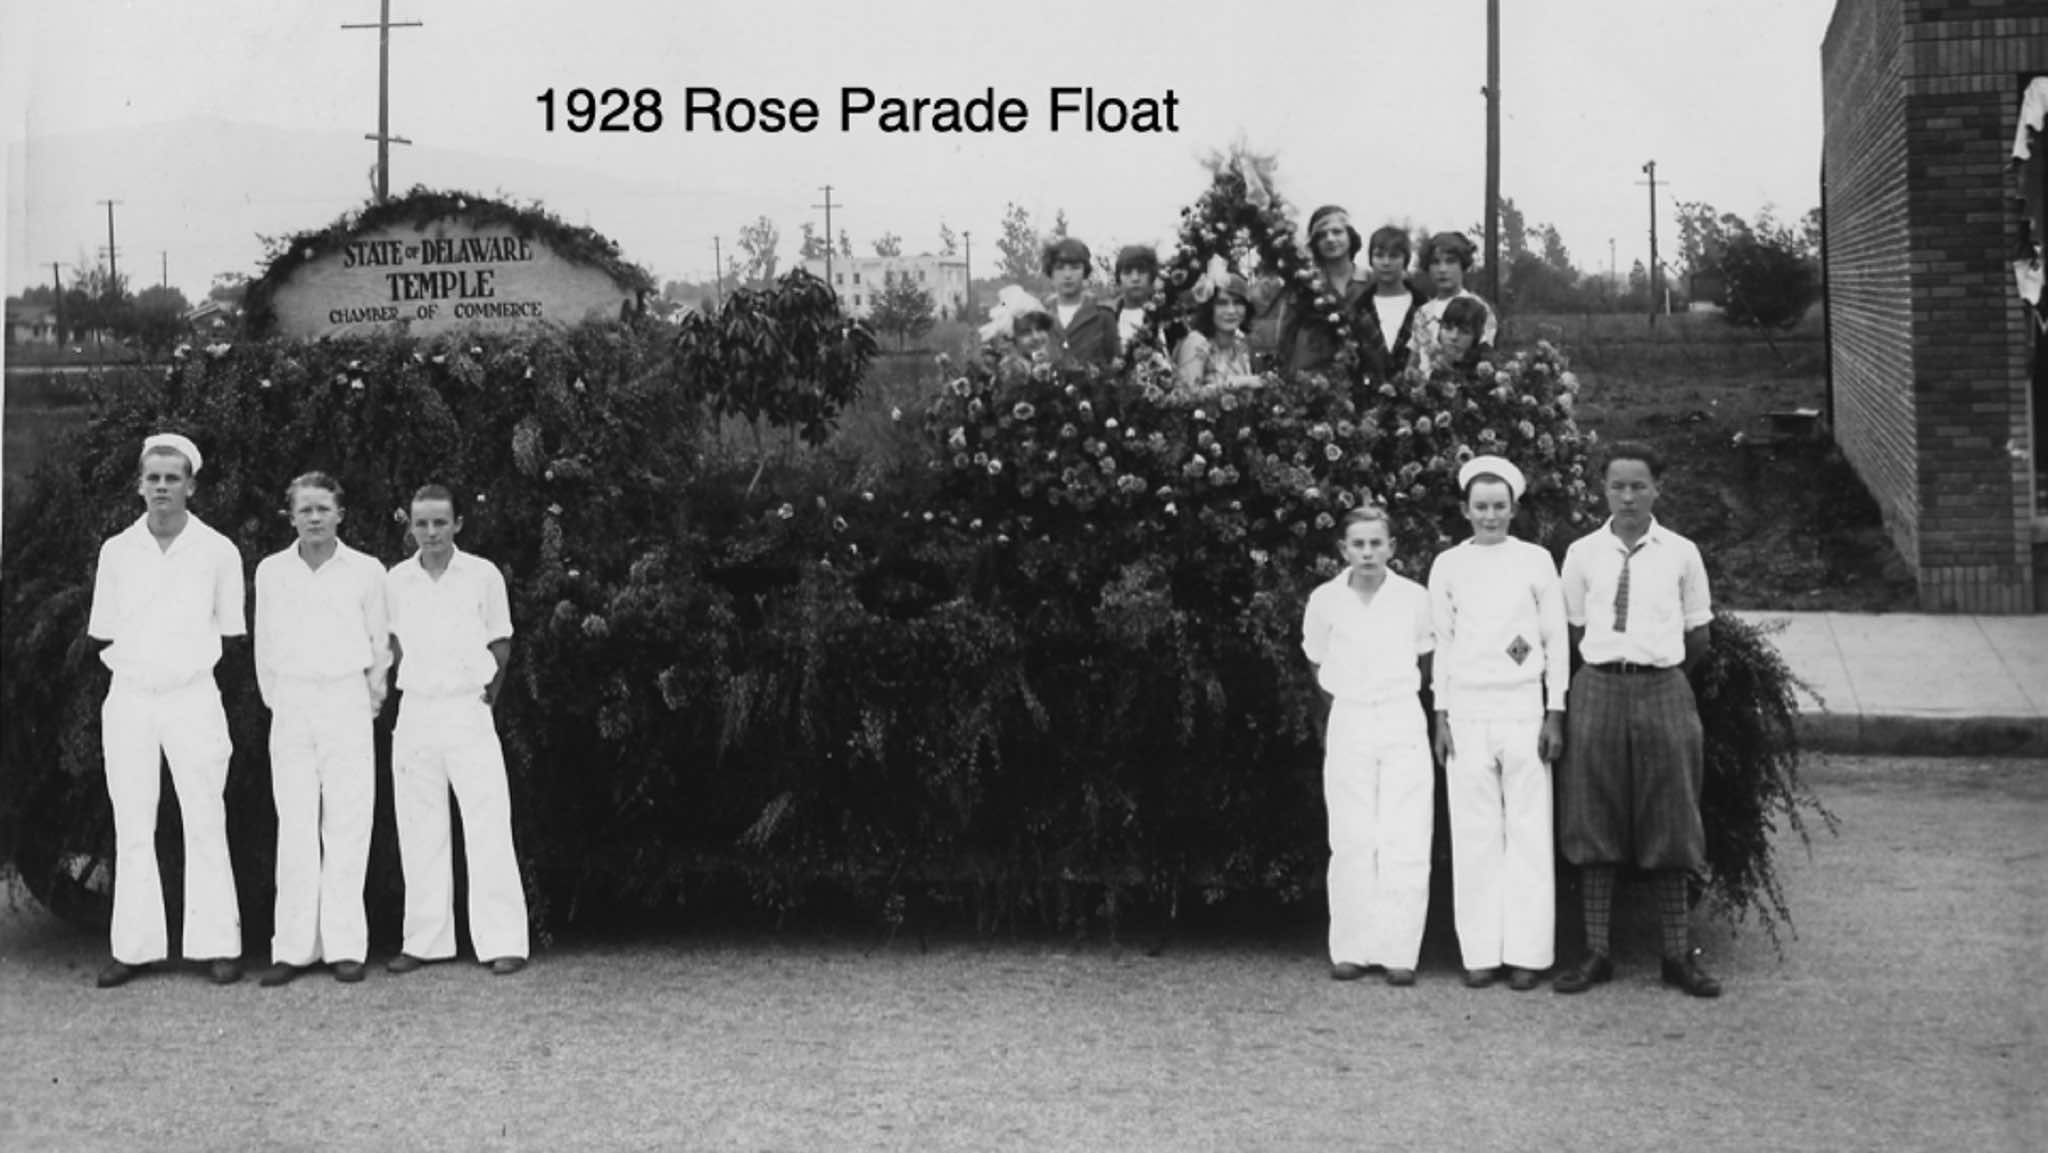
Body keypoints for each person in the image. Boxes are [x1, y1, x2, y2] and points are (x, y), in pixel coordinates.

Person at [1554, 441, 1722, 999]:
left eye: (1638, 486)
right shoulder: (1582, 553)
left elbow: (1699, 635)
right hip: (1598, 688)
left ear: (1657, 489)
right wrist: (1611, 668)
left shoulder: (1682, 553)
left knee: (1671, 816)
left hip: (1663, 687)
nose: (1627, 497)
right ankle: (1597, 952)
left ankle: (1676, 955)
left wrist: (1656, 673)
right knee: (1592, 815)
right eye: (1617, 486)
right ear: (1603, 490)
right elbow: (1574, 629)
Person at [86, 432, 246, 988]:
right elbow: (105, 629)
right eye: (152, 478)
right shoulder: (116, 551)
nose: (161, 487)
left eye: (172, 478)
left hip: (193, 696)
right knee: (132, 821)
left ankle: (218, 944)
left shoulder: (219, 551)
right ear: (139, 485)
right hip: (130, 698)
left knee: (205, 817)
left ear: (190, 486)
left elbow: (229, 631)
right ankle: (134, 947)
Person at [1427, 456, 1568, 992]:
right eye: (1481, 507)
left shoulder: (1536, 561)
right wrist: (1441, 715)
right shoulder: (1448, 565)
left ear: (1514, 509)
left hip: (1523, 708)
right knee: (1474, 833)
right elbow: (1442, 644)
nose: (1490, 516)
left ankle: (1528, 953)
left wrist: (1555, 711)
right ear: (1465, 510)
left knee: (1529, 832)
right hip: (1467, 711)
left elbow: (1555, 640)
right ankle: (1481, 951)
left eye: (1499, 506)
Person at [384, 485, 531, 976]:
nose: (430, 533)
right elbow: (394, 646)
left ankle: (503, 940)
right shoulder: (396, 580)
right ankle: (425, 940)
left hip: (468, 710)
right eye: (421, 524)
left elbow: (501, 642)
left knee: (487, 824)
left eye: (440, 523)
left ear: (458, 524)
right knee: (419, 826)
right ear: (410, 526)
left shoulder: (482, 575)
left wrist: (487, 695)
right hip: (417, 712)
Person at [253, 472, 390, 987]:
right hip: (291, 702)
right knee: (295, 823)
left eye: (323, 509)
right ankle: (293, 947)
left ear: (340, 514)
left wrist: (367, 702)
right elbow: (265, 646)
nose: (314, 518)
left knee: (348, 823)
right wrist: (280, 701)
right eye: (304, 510)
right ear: (290, 516)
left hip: (346, 699)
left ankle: (345, 946)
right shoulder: (271, 572)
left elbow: (380, 645)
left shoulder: (366, 571)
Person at [1300, 505, 1436, 986]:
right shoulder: (1325, 600)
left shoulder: (1414, 598)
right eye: (1358, 544)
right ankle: (1352, 948)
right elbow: (1317, 661)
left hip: (1400, 715)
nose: (1367, 552)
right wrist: (1347, 700)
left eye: (1376, 543)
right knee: (1352, 835)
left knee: (1405, 834)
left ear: (1391, 547)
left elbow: (1425, 661)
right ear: (1343, 549)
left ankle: (1400, 951)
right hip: (1351, 716)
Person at [1283, 204, 1371, 377]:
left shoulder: (1370, 280)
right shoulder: (1304, 284)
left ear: (1350, 236)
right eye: (1321, 235)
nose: (1330, 239)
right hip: (1314, 378)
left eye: (1337, 232)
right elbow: (1287, 336)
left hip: (1364, 374)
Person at [1357, 225, 1428, 386]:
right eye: (1379, 255)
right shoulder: (1359, 309)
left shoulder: (1424, 308)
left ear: (1405, 260)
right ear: (1371, 260)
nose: (1386, 262)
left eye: (1394, 256)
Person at [1173, 264, 1261, 393]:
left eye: (1237, 303)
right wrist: (1234, 384)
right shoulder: (1197, 342)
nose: (1231, 311)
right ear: (1209, 309)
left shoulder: (1241, 347)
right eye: (1222, 303)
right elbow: (1186, 396)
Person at [1413, 231, 1499, 354]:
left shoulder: (1480, 308)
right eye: (1435, 262)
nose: (1442, 269)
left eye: (1450, 261)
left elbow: (1486, 354)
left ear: (1462, 264)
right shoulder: (1422, 313)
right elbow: (1416, 358)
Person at [1041, 237, 1118, 370]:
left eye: (1075, 268)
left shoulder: (1104, 317)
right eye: (1060, 268)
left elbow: (1114, 366)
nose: (1067, 275)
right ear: (1050, 273)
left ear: (1085, 272)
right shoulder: (1039, 320)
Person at [1413, 296, 1491, 377]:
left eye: (1464, 331)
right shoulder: (1429, 358)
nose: (1454, 336)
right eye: (1448, 328)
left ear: (1476, 336)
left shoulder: (1486, 368)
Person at [1110, 244, 1161, 350]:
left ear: (1152, 276)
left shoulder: (1165, 316)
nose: (1135, 278)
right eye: (1127, 272)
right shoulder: (1106, 319)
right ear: (1119, 279)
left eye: (1141, 271)